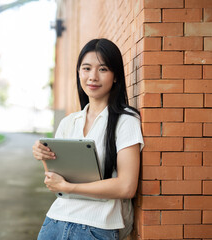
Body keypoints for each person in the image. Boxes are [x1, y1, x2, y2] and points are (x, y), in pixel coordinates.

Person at [32, 38, 144, 240]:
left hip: (95, 228)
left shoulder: (126, 121)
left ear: (116, 76)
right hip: (54, 222)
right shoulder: (69, 122)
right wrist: (43, 156)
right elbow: (56, 182)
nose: (93, 77)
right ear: (79, 73)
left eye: (103, 69)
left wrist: (69, 188)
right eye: (86, 68)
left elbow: (127, 186)